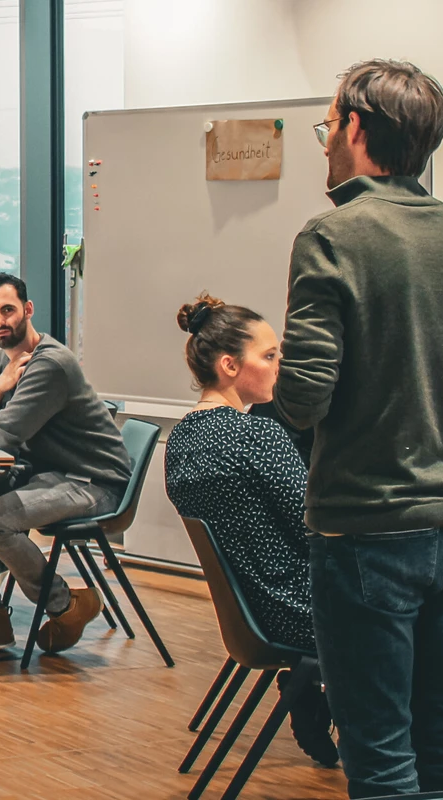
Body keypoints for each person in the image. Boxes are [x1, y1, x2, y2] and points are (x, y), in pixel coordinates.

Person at [280, 60, 443, 798]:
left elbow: (304, 396)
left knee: (379, 752)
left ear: (354, 126)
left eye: (327, 126)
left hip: (364, 531)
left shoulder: (332, 235)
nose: (326, 142)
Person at [162, 294, 336, 767]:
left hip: (251, 611)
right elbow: (314, 526)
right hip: (300, 609)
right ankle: (433, 724)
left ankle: (319, 691)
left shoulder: (183, 438)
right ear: (229, 365)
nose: (280, 366)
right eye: (270, 355)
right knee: (432, 589)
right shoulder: (258, 435)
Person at [0, 272, 128, 655]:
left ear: (28, 310)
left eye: (8, 310)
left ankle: (66, 605)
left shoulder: (48, 365)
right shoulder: (4, 362)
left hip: (90, 482)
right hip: (43, 473)